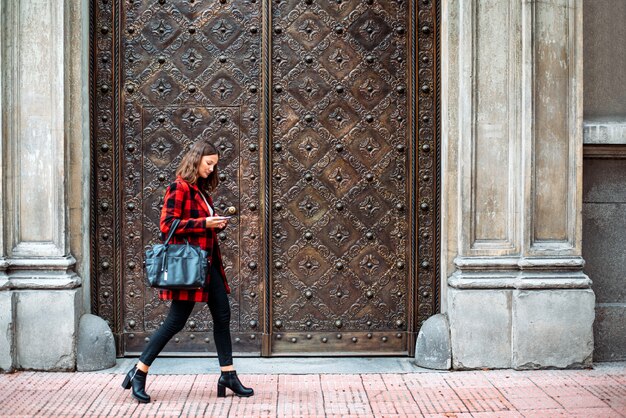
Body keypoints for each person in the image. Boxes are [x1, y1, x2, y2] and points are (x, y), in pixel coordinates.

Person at [122, 140, 253, 403]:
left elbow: (198, 225)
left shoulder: (202, 191)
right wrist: (204, 222)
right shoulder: (178, 187)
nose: (212, 168)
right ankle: (139, 371)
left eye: (215, 164)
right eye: (209, 163)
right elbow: (167, 225)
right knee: (176, 321)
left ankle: (227, 374)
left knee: (223, 315)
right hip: (188, 265)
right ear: (196, 160)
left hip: (207, 263)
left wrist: (215, 225)